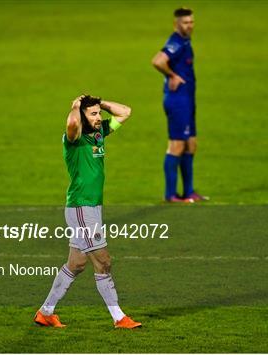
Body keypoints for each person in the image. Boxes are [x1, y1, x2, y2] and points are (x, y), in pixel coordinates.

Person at [34, 95, 141, 329]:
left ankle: (45, 312)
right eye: (92, 114)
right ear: (82, 116)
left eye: (98, 114)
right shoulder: (73, 139)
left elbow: (125, 111)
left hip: (92, 207)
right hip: (82, 208)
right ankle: (119, 317)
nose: (98, 118)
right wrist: (74, 107)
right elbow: (72, 124)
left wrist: (99, 104)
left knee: (77, 263)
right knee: (103, 261)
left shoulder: (99, 132)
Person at [152, 7, 208, 203]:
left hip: (187, 99)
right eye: (185, 22)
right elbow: (158, 61)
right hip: (178, 101)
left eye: (192, 22)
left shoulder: (185, 40)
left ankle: (189, 191)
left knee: (191, 144)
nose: (190, 25)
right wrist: (172, 75)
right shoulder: (175, 42)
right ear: (176, 24)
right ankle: (170, 195)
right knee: (176, 145)